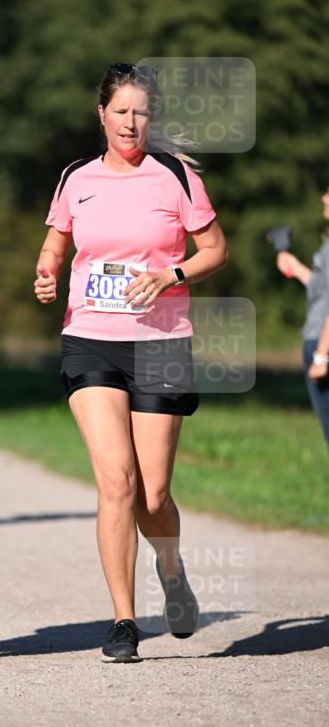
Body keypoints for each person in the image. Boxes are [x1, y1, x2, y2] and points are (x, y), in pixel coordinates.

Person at [34, 62, 228, 663]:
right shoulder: (76, 177)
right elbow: (56, 244)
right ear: (102, 115)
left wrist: (170, 274)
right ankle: (123, 619)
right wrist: (45, 273)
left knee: (152, 494)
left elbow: (216, 250)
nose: (131, 122)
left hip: (161, 342)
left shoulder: (174, 176)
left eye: (141, 112)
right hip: (90, 338)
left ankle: (171, 570)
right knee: (116, 481)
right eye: (120, 111)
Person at [275, 188, 329, 449]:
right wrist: (296, 269)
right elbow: (323, 290)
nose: (323, 198)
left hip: (323, 342)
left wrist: (322, 355)